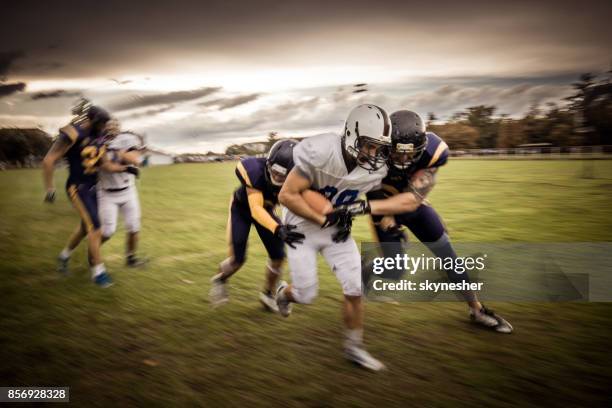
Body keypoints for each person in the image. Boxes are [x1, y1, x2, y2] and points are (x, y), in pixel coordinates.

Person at [340, 110, 513, 333]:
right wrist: (383, 214)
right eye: (397, 153)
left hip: (412, 206)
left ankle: (477, 309)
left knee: (448, 256)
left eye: (409, 155)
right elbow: (369, 187)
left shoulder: (433, 152)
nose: (403, 160)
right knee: (395, 271)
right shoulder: (373, 151)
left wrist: (370, 208)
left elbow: (413, 199)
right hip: (382, 208)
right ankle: (367, 269)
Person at [276, 104, 392, 371]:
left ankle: (354, 348)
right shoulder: (321, 151)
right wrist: (323, 218)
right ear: (352, 134)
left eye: (379, 148)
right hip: (301, 229)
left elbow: (370, 202)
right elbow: (286, 195)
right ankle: (285, 293)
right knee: (306, 295)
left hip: (336, 230)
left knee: (355, 288)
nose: (374, 154)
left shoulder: (374, 168)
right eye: (369, 145)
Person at [42, 102, 138, 287]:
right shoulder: (72, 133)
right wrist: (49, 189)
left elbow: (105, 165)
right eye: (101, 124)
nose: (103, 128)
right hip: (77, 187)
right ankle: (98, 273)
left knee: (86, 228)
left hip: (95, 187)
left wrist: (125, 168)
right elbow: (49, 160)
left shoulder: (99, 136)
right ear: (92, 120)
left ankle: (63, 257)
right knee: (96, 227)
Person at [210, 139, 304, 311]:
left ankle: (268, 295)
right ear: (268, 163)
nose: (276, 176)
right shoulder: (254, 171)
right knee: (237, 260)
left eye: (282, 175)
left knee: (278, 256)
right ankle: (220, 279)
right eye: (274, 171)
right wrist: (279, 228)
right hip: (242, 209)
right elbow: (255, 209)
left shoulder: (299, 181)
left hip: (266, 211)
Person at [97, 119, 147, 267]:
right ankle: (93, 252)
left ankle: (130, 259)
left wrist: (117, 149)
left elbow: (135, 159)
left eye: (114, 126)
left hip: (128, 191)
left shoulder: (126, 139)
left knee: (133, 227)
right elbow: (106, 167)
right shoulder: (97, 142)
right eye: (108, 126)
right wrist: (125, 167)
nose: (112, 129)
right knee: (107, 231)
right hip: (107, 193)